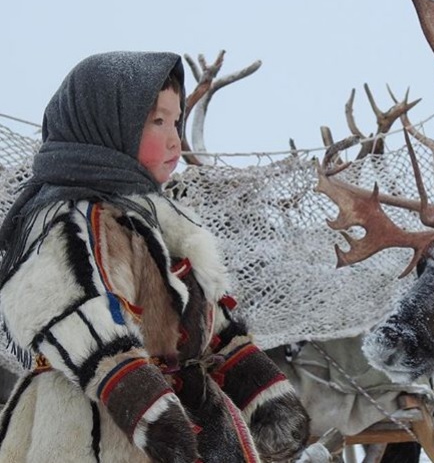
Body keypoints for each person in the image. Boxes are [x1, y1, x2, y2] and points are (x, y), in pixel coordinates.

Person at [0, 51, 309, 462]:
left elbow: (208, 322)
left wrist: (259, 388)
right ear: (108, 126)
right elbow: (68, 315)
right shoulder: (71, 221)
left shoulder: (164, 222)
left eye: (176, 122)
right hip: (89, 429)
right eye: (156, 121)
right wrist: (147, 408)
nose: (174, 139)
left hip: (191, 423)